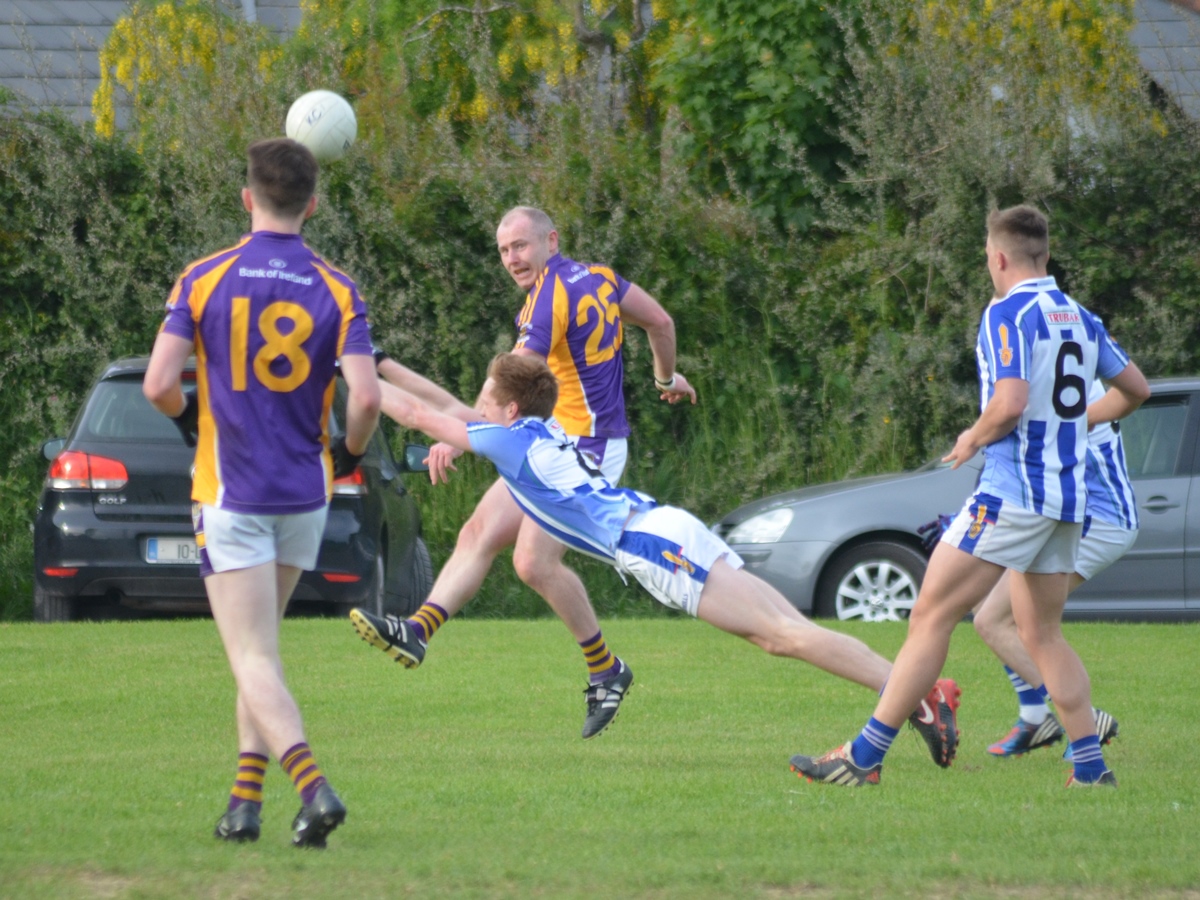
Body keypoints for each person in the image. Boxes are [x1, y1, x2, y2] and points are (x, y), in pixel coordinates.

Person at [354, 352, 964, 767]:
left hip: (654, 547)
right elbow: (447, 409)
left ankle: (918, 695)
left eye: (485, 403)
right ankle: (920, 694)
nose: (476, 411)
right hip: (665, 529)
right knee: (790, 632)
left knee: (783, 637)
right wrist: (379, 362)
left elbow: (419, 414)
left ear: (509, 412)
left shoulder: (510, 441)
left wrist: (346, 365)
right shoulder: (529, 433)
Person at [789, 205, 1149, 788]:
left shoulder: (1007, 312)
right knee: (1043, 634)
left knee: (931, 615)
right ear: (1045, 255)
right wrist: (1073, 424)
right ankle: (1090, 767)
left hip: (1012, 493)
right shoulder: (1080, 316)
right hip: (1066, 500)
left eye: (988, 256)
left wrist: (972, 436)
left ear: (999, 257)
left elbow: (1007, 404)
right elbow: (1135, 389)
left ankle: (864, 756)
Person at [362, 206, 697, 740]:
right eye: (503, 250)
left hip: (583, 450)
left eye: (520, 245)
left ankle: (606, 669)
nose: (512, 258)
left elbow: (509, 384)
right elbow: (660, 322)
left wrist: (463, 435)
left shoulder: (546, 298)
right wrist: (666, 378)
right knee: (479, 532)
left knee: (532, 563)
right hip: (561, 441)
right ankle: (417, 631)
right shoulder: (601, 278)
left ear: (551, 240)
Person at [143, 137, 381, 846]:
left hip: (232, 492)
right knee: (263, 652)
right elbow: (364, 399)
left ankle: (314, 791)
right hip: (306, 492)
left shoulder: (204, 277)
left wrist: (190, 421)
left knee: (251, 657)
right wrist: (346, 455)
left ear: (247, 198)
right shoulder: (339, 287)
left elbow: (158, 385)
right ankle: (244, 806)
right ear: (313, 204)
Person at [973, 378, 1135, 758]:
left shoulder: (1051, 380)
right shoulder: (1065, 369)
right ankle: (1035, 717)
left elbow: (1022, 443)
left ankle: (1081, 720)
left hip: (1097, 517)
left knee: (1000, 622)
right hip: (1082, 513)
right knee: (988, 609)